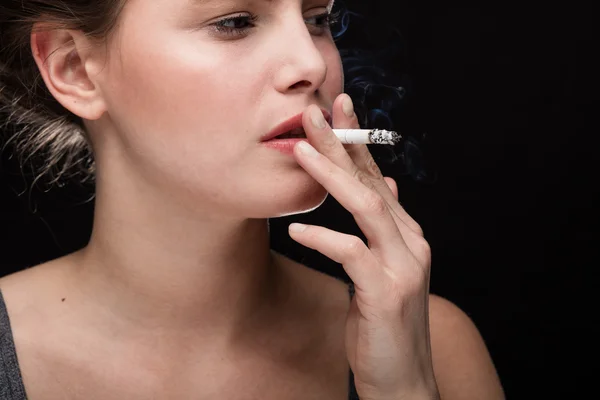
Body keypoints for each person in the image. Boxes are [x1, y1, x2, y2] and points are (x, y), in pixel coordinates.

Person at [0, 0, 505, 399]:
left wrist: (405, 392)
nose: (311, 65)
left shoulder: (434, 347)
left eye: (316, 18)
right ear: (75, 69)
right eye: (235, 22)